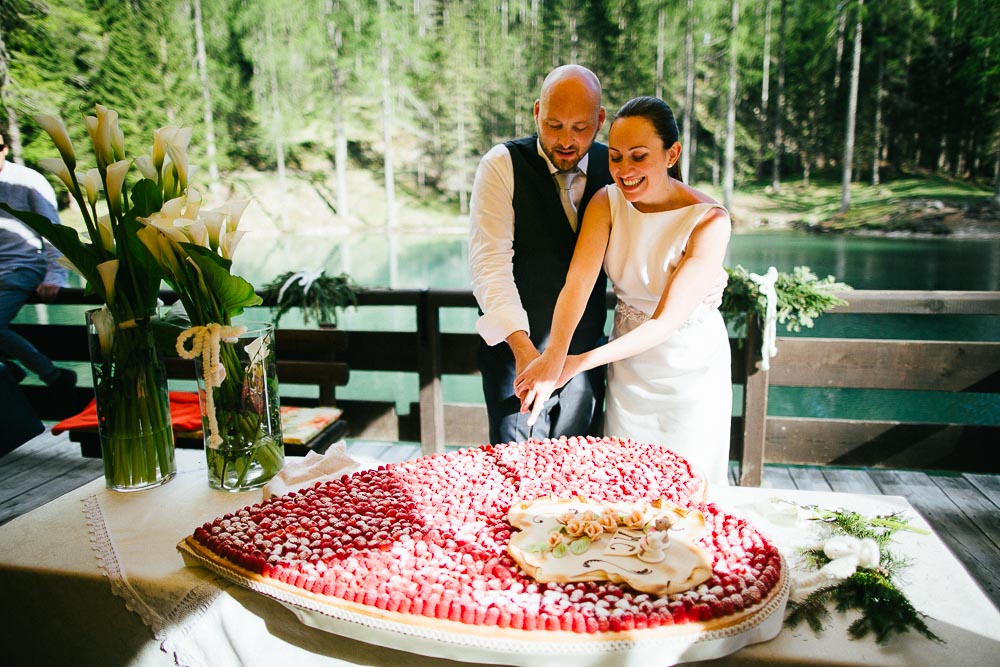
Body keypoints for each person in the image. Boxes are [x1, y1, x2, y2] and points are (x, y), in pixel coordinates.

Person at [514, 96, 733, 486]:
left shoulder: (710, 221)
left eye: (638, 156)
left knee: (687, 489)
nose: (624, 171)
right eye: (615, 157)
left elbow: (664, 322)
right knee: (624, 482)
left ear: (672, 153)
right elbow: (578, 284)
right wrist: (554, 355)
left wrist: (579, 362)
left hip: (689, 369)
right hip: (627, 365)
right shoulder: (607, 202)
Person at [469, 64, 612, 445]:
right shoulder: (501, 164)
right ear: (536, 112)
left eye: (580, 128)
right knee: (516, 476)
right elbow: (489, 265)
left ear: (599, 120)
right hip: (514, 359)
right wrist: (525, 352)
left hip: (582, 360)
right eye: (553, 125)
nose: (566, 140)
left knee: (576, 478)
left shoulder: (614, 167)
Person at [0, 128, 76, 389]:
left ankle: (52, 375)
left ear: (6, 148)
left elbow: (53, 230)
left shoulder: (27, 180)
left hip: (23, 266)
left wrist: (56, 275)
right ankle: (8, 369)